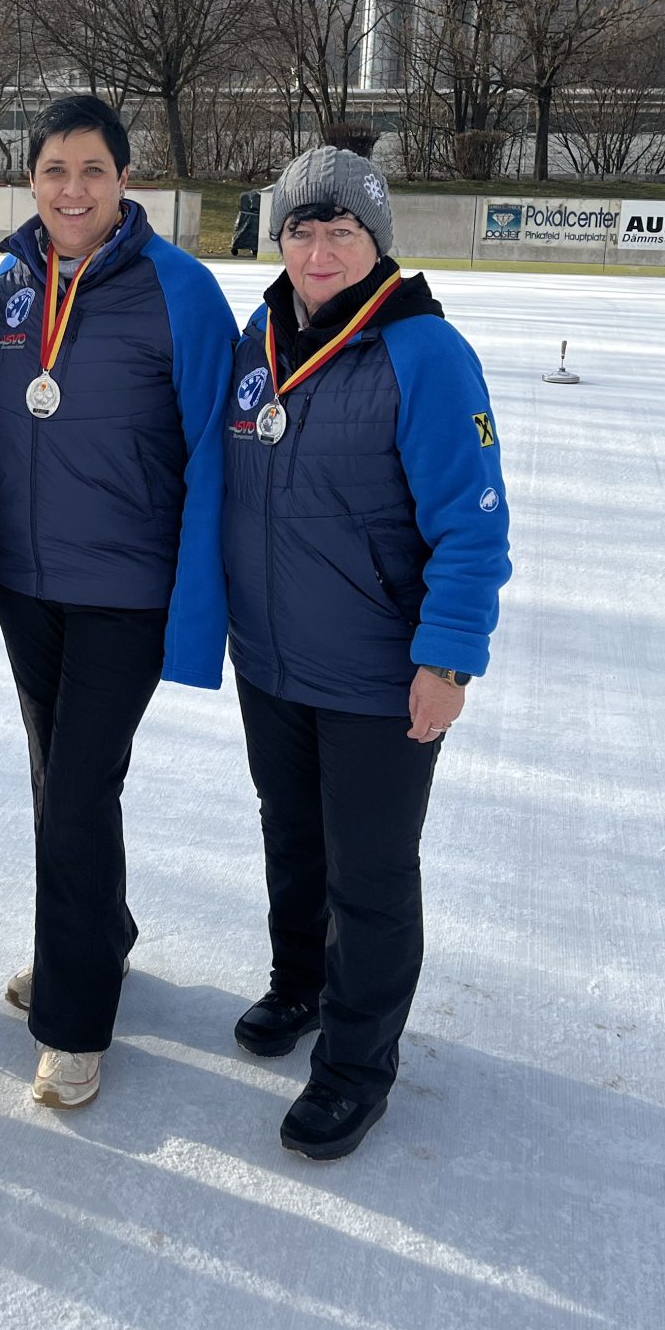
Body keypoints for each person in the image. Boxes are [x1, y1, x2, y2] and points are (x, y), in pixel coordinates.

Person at [223, 145, 511, 1160]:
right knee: (292, 840)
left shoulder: (425, 352)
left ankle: (356, 1062)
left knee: (372, 874)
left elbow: (474, 524)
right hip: (271, 661)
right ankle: (299, 983)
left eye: (340, 228)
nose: (318, 245)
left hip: (380, 675)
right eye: (301, 226)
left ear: (376, 241)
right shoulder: (254, 339)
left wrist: (449, 660)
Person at [0, 94, 237, 1109]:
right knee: (60, 782)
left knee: (78, 789)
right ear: (31, 180)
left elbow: (215, 455)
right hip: (26, 583)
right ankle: (96, 936)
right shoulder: (7, 283)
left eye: (92, 169)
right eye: (53, 170)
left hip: (128, 588)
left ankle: (76, 1021)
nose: (71, 189)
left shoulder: (181, 290)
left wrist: (196, 609)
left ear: (125, 179)